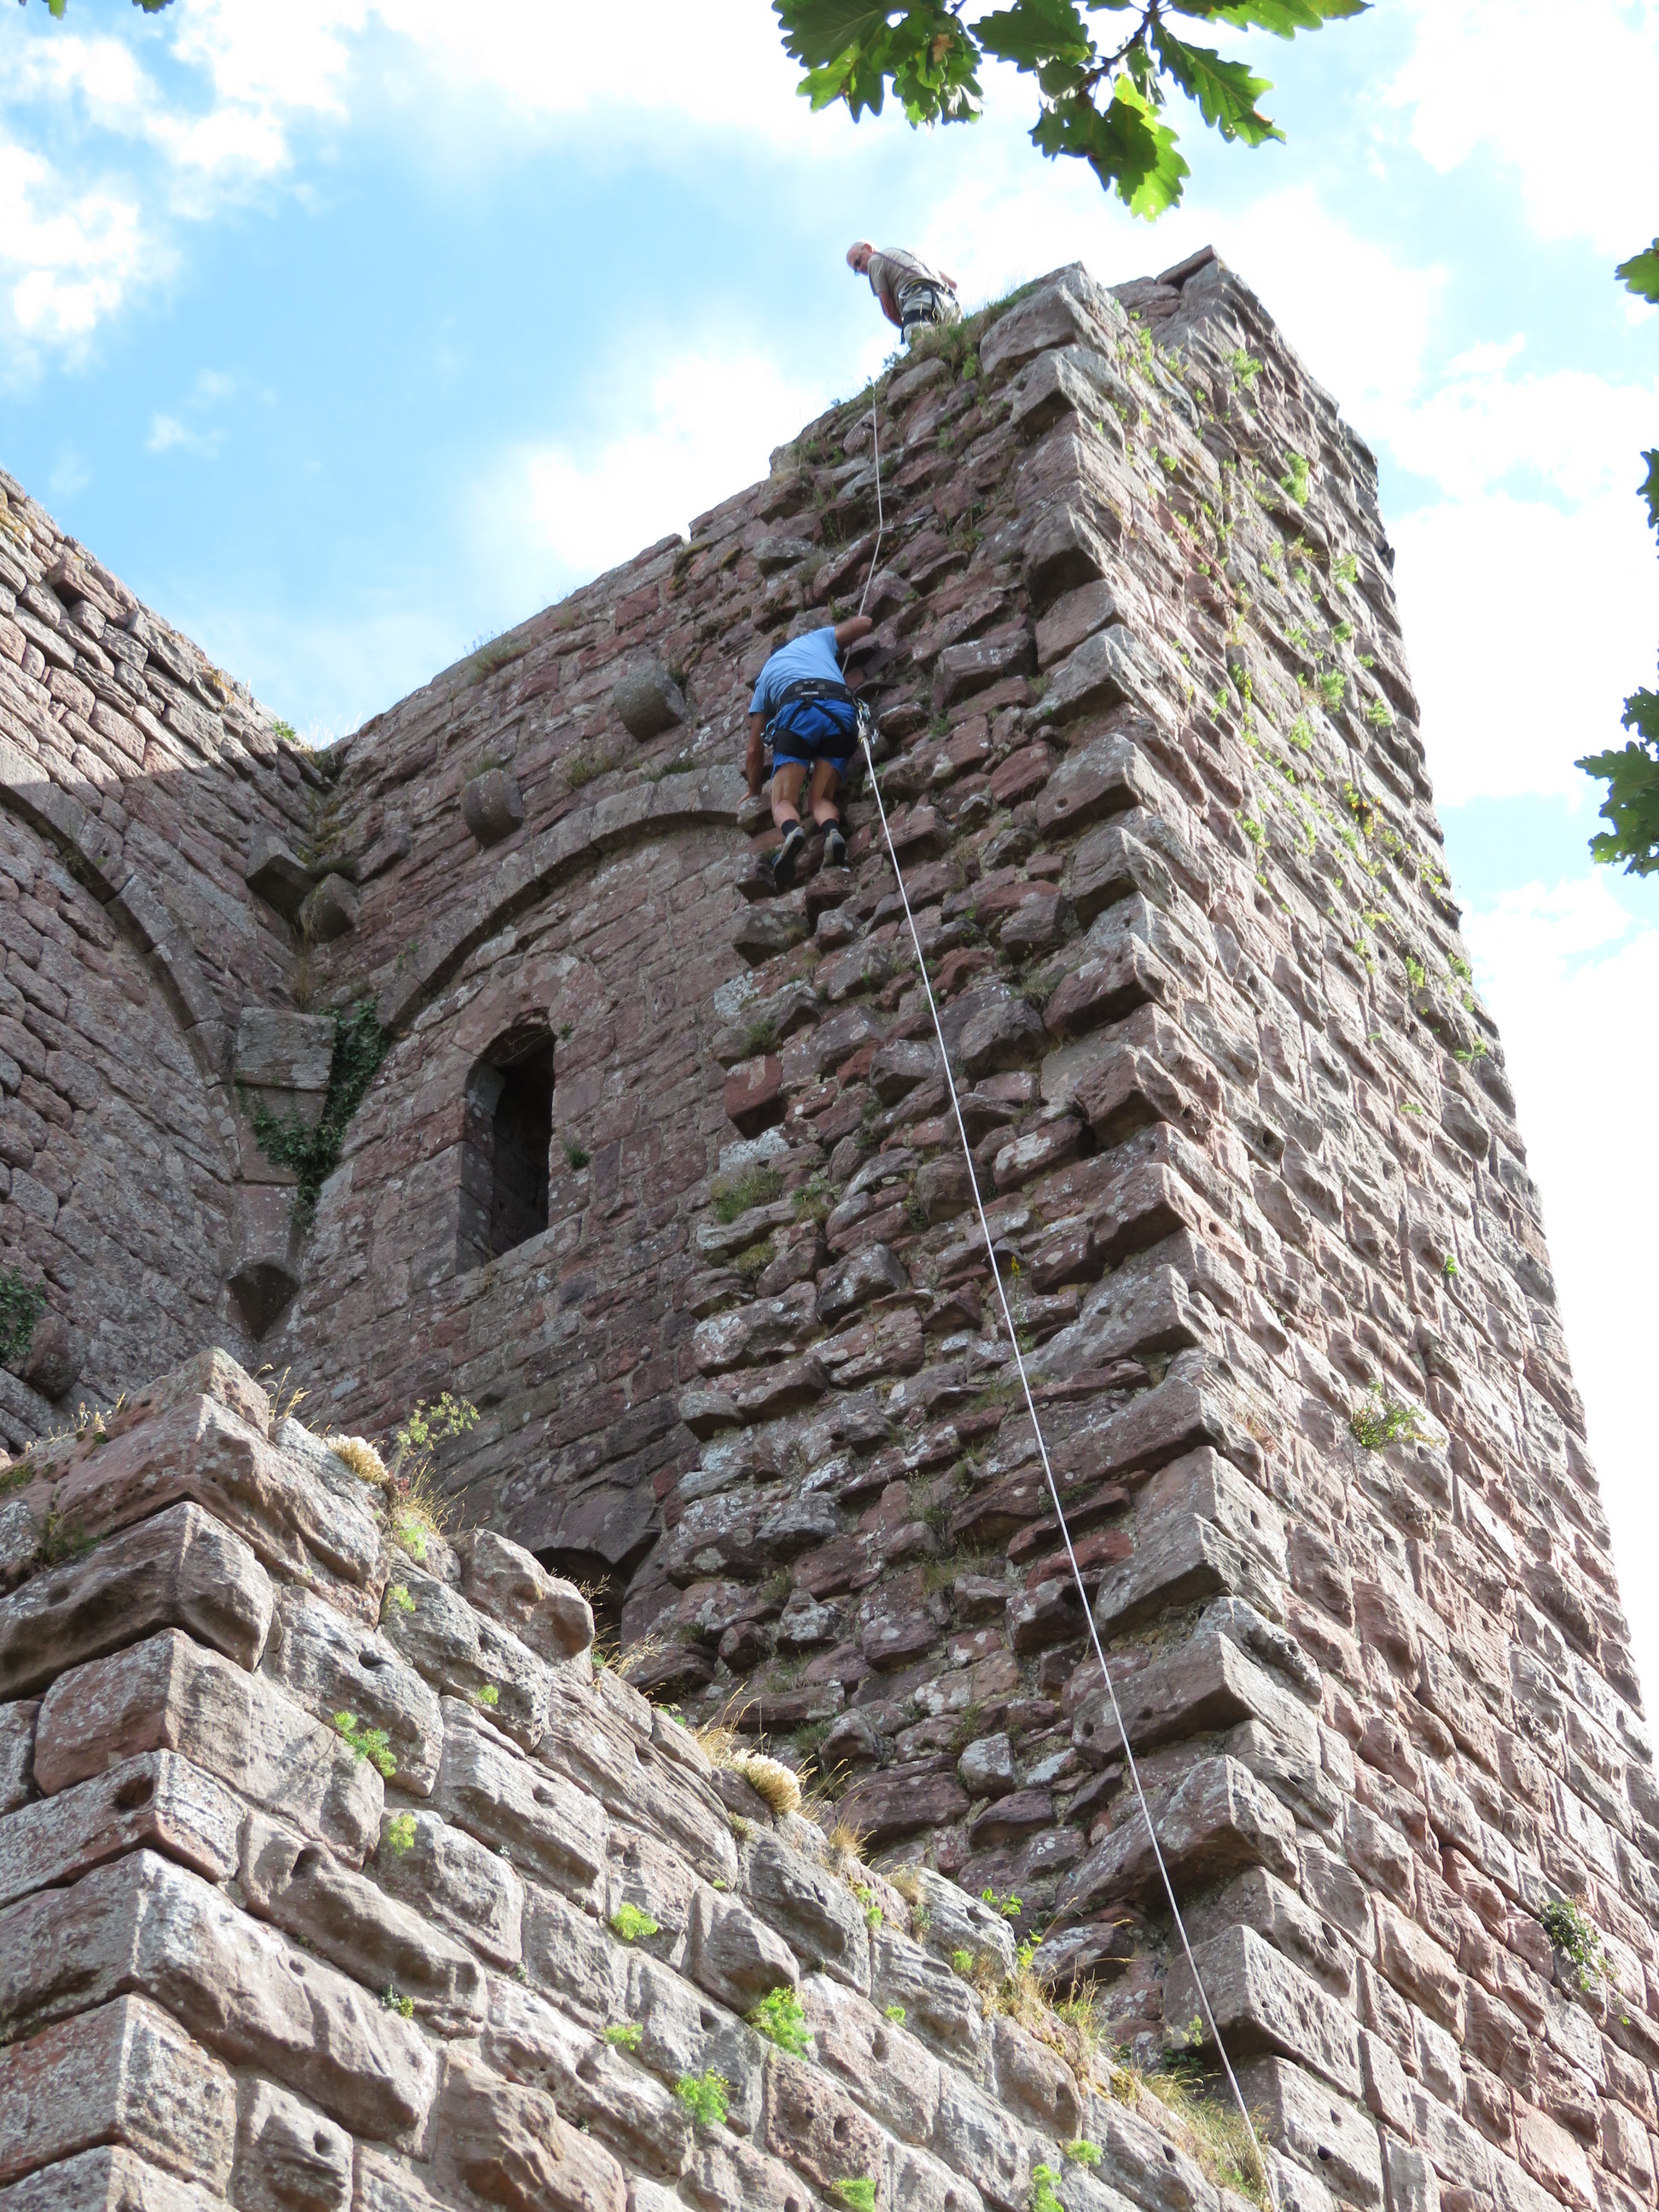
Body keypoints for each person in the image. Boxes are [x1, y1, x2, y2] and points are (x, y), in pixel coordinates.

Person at [746, 614, 874, 888]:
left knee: (783, 801)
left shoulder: (766, 675)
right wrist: (836, 643)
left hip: (798, 710)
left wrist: (754, 788)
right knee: (820, 799)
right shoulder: (816, 639)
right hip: (842, 711)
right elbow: (865, 623)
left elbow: (754, 748)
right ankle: (832, 833)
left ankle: (792, 831)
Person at [847, 241, 960, 346]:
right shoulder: (912, 255)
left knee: (924, 342)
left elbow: (888, 310)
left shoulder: (874, 261)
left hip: (918, 299)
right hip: (949, 303)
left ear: (868, 248)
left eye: (858, 262)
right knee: (957, 343)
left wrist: (908, 324)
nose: (859, 269)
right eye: (856, 270)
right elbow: (953, 284)